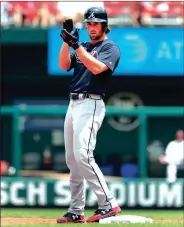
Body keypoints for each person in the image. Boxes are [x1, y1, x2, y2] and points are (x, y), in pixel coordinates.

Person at [57, 6, 121, 224]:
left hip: (91, 103)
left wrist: (76, 45)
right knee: (72, 159)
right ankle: (76, 210)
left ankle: (108, 203)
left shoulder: (110, 47)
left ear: (104, 25)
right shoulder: (82, 46)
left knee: (83, 155)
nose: (91, 27)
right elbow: (64, 64)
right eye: (89, 23)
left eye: (96, 23)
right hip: (73, 104)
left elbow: (96, 68)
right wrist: (67, 42)